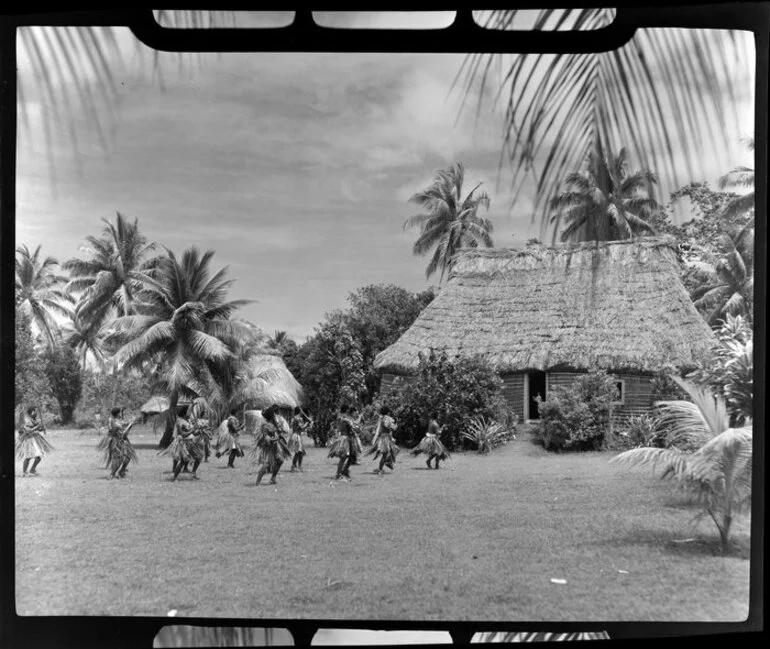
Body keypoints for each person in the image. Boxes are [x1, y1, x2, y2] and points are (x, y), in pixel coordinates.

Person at [251, 405, 292, 485]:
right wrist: (277, 438)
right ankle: (257, 482)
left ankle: (273, 478)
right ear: (270, 415)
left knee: (280, 460)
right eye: (273, 414)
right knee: (266, 465)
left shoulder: (273, 423)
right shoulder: (265, 426)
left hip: (275, 446)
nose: (274, 415)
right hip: (269, 447)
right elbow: (267, 440)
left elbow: (278, 431)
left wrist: (281, 434)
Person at [162, 407, 204, 481]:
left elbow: (193, 432)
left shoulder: (187, 421)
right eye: (188, 412)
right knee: (184, 461)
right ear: (185, 413)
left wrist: (199, 431)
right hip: (185, 443)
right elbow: (183, 433)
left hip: (190, 442)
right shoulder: (180, 421)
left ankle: (192, 473)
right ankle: (175, 477)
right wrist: (193, 429)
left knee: (198, 457)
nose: (190, 414)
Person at [16, 406, 53, 477]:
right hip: (28, 440)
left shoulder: (34, 420)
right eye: (35, 411)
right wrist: (37, 426)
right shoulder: (27, 420)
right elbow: (28, 431)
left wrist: (42, 428)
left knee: (38, 458)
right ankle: (24, 472)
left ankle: (32, 470)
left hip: (33, 440)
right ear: (32, 412)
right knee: (28, 457)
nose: (36, 413)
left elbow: (37, 429)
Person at [104, 407, 138, 480]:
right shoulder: (113, 421)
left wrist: (131, 421)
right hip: (117, 442)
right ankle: (112, 474)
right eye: (120, 412)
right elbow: (123, 432)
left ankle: (122, 471)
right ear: (118, 413)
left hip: (123, 441)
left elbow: (124, 424)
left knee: (128, 457)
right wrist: (130, 425)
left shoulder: (117, 421)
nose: (120, 414)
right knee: (118, 459)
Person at [328, 404, 358, 481]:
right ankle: (338, 474)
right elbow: (353, 427)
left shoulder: (340, 417)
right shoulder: (345, 419)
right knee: (343, 457)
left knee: (352, 456)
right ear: (347, 410)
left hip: (344, 438)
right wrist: (358, 428)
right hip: (345, 439)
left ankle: (344, 470)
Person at [367, 405, 399, 474]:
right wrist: (395, 423)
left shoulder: (382, 418)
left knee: (394, 450)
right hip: (385, 438)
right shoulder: (387, 419)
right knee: (386, 454)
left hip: (384, 437)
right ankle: (381, 468)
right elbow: (390, 427)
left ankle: (387, 462)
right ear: (388, 412)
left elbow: (382, 427)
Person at [288, 407, 310, 472]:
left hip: (296, 435)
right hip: (297, 436)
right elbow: (302, 428)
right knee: (298, 452)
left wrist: (307, 423)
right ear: (300, 411)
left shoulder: (294, 418)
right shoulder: (297, 419)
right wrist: (307, 423)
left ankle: (298, 466)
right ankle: (294, 466)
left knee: (300, 452)